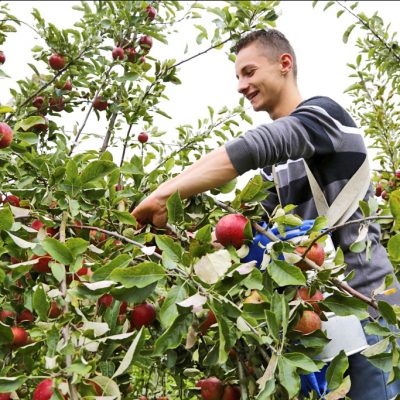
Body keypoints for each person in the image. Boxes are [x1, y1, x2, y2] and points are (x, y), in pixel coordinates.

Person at [132, 29, 400, 399]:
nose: (241, 86)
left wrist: (164, 194)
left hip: (367, 309)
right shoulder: (274, 172)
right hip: (315, 325)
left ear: (284, 64)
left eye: (249, 72)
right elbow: (244, 235)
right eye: (238, 77)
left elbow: (258, 145)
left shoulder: (326, 117)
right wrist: (179, 243)